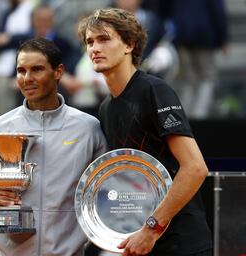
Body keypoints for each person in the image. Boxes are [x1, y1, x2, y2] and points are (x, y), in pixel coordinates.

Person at [78, 8, 212, 256]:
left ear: (129, 44)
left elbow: (195, 168)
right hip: (140, 244)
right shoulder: (106, 107)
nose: (94, 48)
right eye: (90, 42)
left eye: (104, 39)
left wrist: (151, 229)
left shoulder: (155, 90)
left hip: (180, 244)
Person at [0, 37, 108, 256]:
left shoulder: (88, 128)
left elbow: (103, 192)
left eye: (37, 69)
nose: (27, 78)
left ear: (58, 72)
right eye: (21, 71)